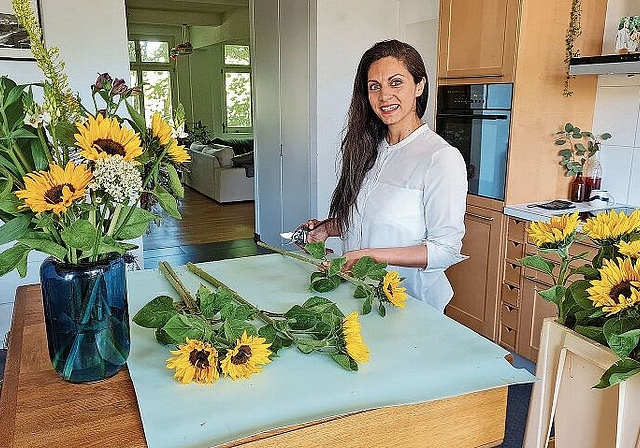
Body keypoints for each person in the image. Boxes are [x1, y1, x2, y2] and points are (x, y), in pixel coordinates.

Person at [305, 39, 467, 312]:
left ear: (419, 86)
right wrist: (329, 227)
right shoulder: (368, 149)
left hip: (411, 305)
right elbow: (372, 220)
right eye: (374, 86)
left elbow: (446, 250)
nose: (384, 97)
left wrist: (370, 256)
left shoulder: (440, 158)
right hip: (362, 296)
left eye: (396, 83)